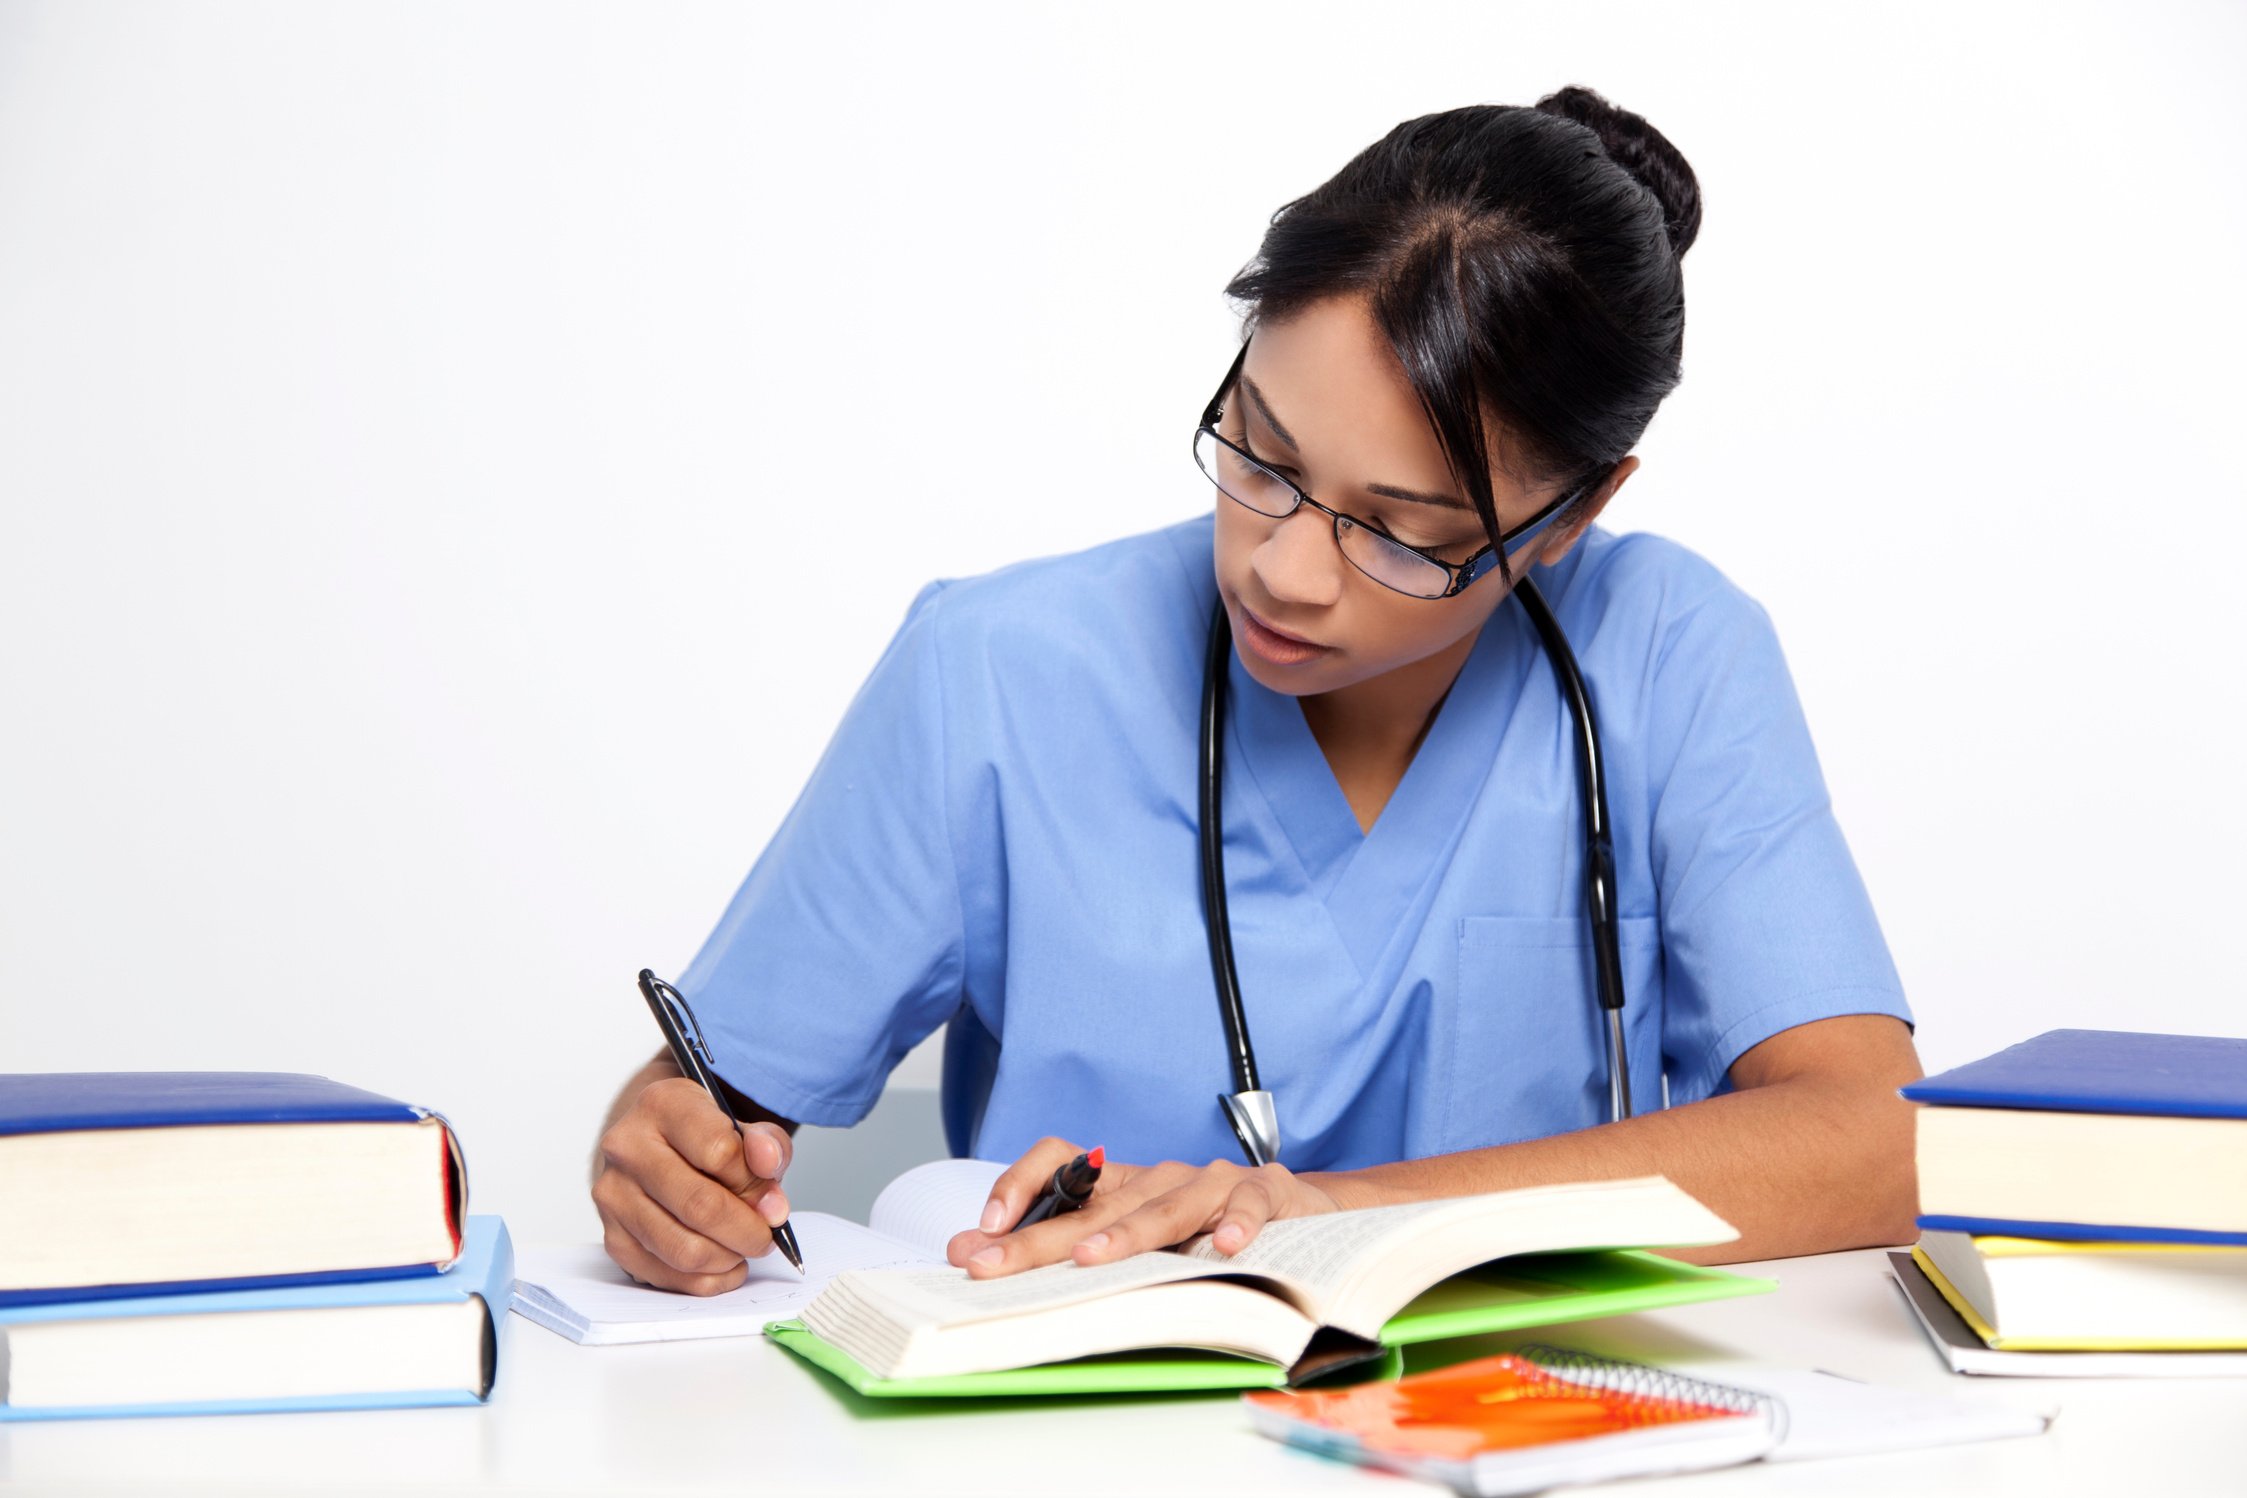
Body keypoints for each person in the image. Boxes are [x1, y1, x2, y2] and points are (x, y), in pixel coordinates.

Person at [591, 86, 1923, 1296]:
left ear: (1572, 515)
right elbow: (711, 1106)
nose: (1283, 571)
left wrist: (1325, 1214)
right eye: (1263, 453)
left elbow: (1873, 1141)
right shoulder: (999, 670)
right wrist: (667, 1159)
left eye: (1402, 530)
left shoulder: (1673, 653)